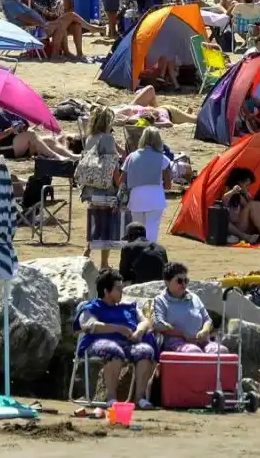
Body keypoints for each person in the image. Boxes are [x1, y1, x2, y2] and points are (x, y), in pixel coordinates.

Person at [73, 268, 157, 409]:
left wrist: (139, 332)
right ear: (106, 291)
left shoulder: (128, 308)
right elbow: (89, 325)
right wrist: (118, 328)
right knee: (113, 349)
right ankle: (111, 398)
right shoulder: (92, 307)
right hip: (98, 343)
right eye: (118, 288)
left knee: (146, 351)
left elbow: (146, 322)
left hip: (127, 344)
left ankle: (140, 398)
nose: (122, 291)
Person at [1, 0, 102, 59]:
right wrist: (41, 23)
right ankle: (90, 28)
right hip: (35, 30)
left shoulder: (19, 3)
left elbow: (43, 14)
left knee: (75, 25)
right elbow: (24, 18)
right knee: (68, 18)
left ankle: (78, 54)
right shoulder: (11, 4)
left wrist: (49, 17)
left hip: (41, 26)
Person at [80, 106, 122, 268]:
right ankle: (104, 263)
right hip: (105, 188)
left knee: (96, 222)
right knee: (107, 226)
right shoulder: (107, 139)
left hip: (90, 187)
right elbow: (112, 165)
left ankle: (87, 252)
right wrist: (119, 183)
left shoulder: (91, 138)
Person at [153, 262, 226, 354]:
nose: (183, 284)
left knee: (221, 351)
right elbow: (158, 324)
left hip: (202, 342)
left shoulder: (194, 297)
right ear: (167, 282)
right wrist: (183, 334)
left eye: (186, 280)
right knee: (193, 351)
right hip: (176, 344)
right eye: (179, 281)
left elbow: (207, 320)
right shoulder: (160, 300)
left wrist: (205, 330)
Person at [120, 127, 171, 243]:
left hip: (136, 196)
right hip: (155, 197)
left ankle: (136, 253)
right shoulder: (162, 158)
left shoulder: (131, 157)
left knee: (137, 228)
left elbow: (122, 180)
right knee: (152, 228)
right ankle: (150, 252)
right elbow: (168, 185)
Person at [222, 167, 260, 245]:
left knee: (256, 204)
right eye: (247, 185)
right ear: (239, 183)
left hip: (243, 225)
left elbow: (254, 210)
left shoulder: (242, 196)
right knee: (253, 204)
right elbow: (224, 199)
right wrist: (233, 191)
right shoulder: (229, 192)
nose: (248, 188)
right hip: (234, 228)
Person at [0, 108, 79, 161]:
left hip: (21, 144)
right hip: (4, 149)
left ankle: (71, 157)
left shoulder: (17, 112)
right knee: (31, 134)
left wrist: (34, 126)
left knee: (50, 140)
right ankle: (56, 157)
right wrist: (9, 131)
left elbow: (26, 129)